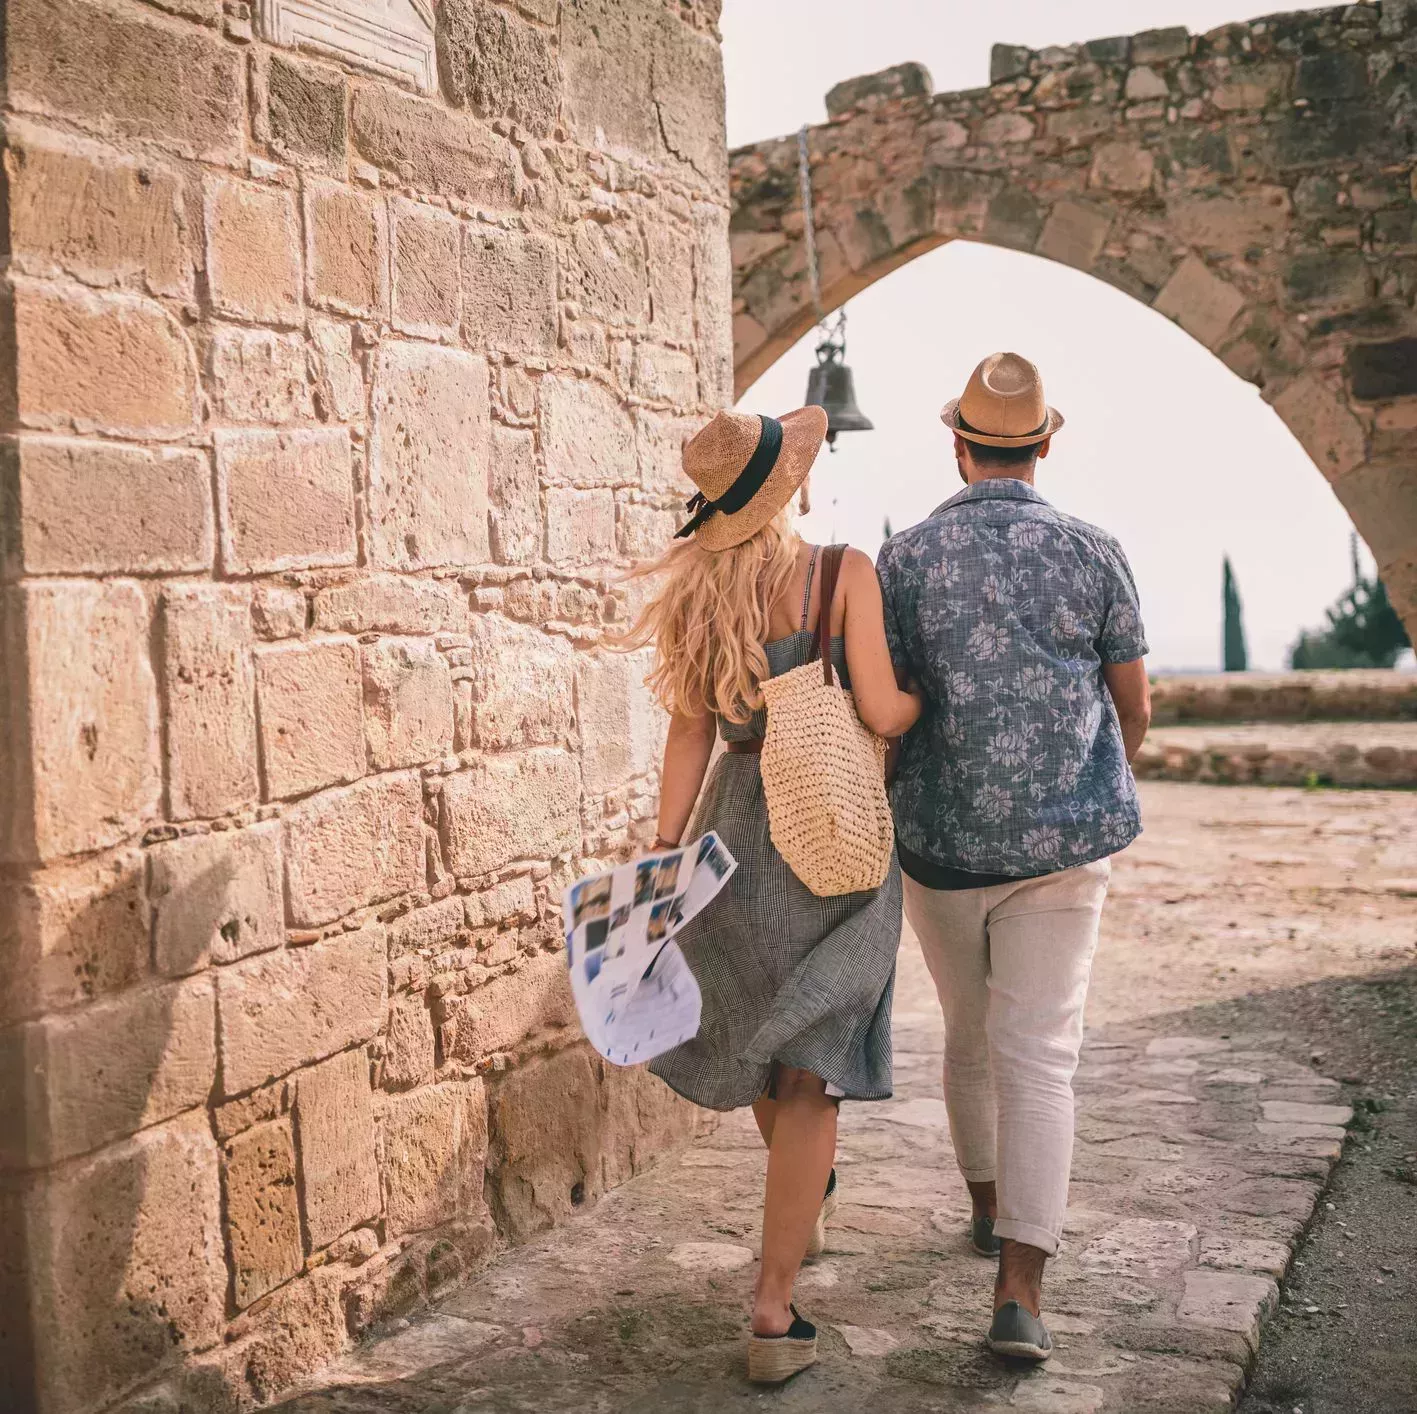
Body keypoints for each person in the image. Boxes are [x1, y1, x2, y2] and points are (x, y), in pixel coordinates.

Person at [620, 405, 923, 1385]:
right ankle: (770, 1303)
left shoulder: (701, 599)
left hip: (731, 835)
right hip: (830, 829)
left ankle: (795, 1226)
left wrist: (664, 852)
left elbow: (685, 738)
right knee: (810, 1066)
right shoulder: (842, 574)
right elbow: (879, 707)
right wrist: (919, 705)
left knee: (765, 1041)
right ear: (786, 488)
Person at [876, 352, 1152, 1362]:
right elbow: (1134, 708)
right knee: (1041, 1056)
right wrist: (1086, 774)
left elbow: (889, 709)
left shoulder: (902, 559)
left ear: (957, 445)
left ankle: (988, 1206)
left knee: (966, 1032)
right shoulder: (1094, 550)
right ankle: (1019, 1289)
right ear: (1044, 443)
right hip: (1065, 842)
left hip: (941, 845)